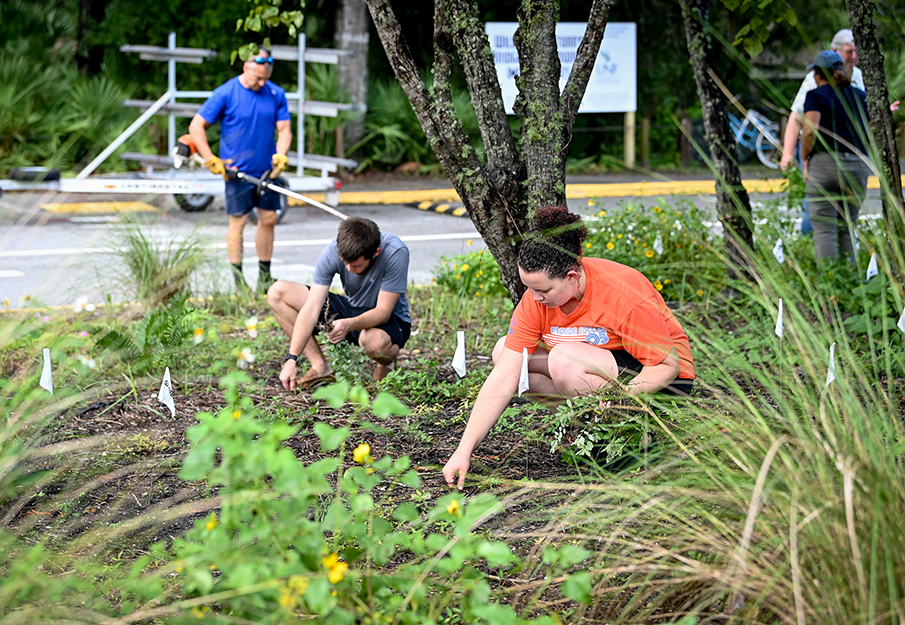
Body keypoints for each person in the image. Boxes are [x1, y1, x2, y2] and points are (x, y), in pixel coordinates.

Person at [442, 206, 696, 490]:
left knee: (563, 361)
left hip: (662, 381)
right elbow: (503, 377)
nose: (535, 298)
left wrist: (622, 396)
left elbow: (667, 366)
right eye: (529, 288)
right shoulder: (535, 299)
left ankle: (636, 437)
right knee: (506, 353)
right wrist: (463, 452)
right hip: (598, 369)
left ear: (573, 277)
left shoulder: (623, 293)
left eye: (544, 291)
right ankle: (595, 429)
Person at [189, 46, 292, 294]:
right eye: (257, 77)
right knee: (239, 222)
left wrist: (281, 155)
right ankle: (238, 282)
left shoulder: (276, 93)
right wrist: (210, 158)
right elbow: (196, 126)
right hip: (236, 172)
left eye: (265, 78)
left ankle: (264, 278)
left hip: (267, 172)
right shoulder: (226, 93)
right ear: (246, 66)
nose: (261, 83)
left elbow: (285, 130)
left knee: (268, 219)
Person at [269, 217, 411, 390]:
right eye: (345, 263)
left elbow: (383, 311)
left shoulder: (395, 252)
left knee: (374, 343)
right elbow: (312, 308)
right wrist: (292, 359)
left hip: (390, 319)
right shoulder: (332, 252)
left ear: (376, 252)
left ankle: (387, 363)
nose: (350, 270)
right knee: (278, 292)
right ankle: (321, 367)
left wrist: (349, 325)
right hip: (352, 308)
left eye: (357, 266)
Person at [780, 29, 864, 236]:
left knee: (839, 222)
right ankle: (815, 251)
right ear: (836, 52)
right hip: (822, 152)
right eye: (848, 52)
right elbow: (802, 123)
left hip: (849, 152)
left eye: (855, 52)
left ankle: (831, 263)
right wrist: (791, 154)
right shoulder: (813, 83)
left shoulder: (859, 77)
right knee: (817, 212)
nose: (853, 56)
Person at [800, 50, 870, 261]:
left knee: (825, 231)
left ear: (819, 74)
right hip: (858, 164)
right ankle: (852, 282)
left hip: (825, 164)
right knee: (848, 228)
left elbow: (811, 130)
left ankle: (832, 288)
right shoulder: (860, 96)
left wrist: (804, 157)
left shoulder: (816, 96)